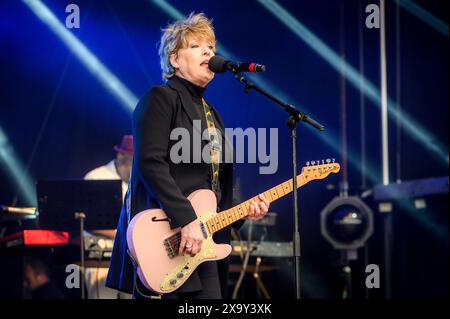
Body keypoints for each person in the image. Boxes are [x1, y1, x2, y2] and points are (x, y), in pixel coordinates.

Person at [106, 12, 270, 299]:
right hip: (165, 238)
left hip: (200, 245)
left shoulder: (212, 114)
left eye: (211, 47)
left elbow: (213, 190)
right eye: (196, 46)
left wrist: (243, 214)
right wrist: (187, 219)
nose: (208, 51)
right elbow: (150, 163)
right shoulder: (159, 98)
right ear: (174, 60)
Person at [83, 135, 133, 299]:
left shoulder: (136, 183)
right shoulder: (97, 177)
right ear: (121, 157)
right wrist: (128, 235)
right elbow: (89, 221)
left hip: (131, 260)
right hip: (100, 258)